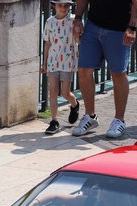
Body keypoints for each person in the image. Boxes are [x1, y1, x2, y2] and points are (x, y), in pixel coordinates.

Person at [71, 0, 137, 138]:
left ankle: (119, 120)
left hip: (119, 29)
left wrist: (132, 27)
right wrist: (78, 18)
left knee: (118, 73)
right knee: (84, 70)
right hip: (92, 26)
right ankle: (90, 116)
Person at [41, 0, 80, 134]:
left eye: (66, 6)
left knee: (65, 93)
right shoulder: (49, 21)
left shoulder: (74, 20)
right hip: (53, 60)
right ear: (54, 6)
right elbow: (47, 43)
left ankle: (74, 104)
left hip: (68, 61)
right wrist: (44, 63)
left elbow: (79, 40)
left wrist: (78, 35)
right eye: (60, 5)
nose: (63, 8)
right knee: (53, 91)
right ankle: (54, 121)